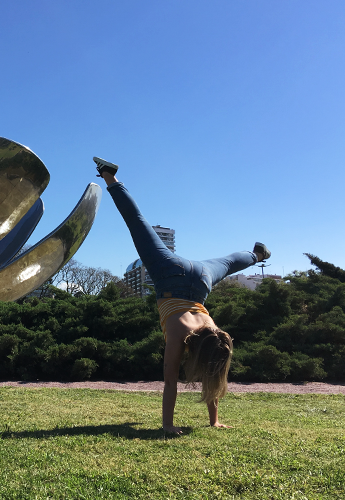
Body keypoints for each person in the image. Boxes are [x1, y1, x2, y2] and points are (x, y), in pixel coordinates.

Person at [93, 157, 271, 435]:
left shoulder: (216, 333)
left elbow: (211, 368)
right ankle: (108, 176)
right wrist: (167, 425)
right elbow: (170, 382)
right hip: (169, 276)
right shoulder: (178, 335)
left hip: (200, 278)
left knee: (227, 261)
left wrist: (213, 421)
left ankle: (256, 254)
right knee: (138, 226)